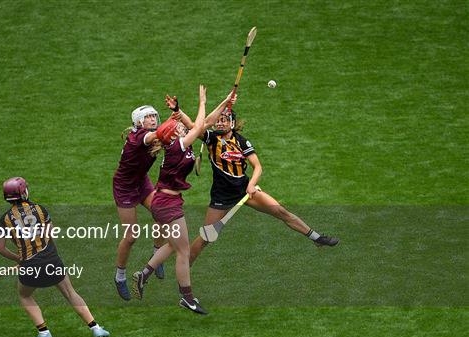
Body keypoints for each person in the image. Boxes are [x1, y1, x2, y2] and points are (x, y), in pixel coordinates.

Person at [188, 106, 340, 265]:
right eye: (217, 121)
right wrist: (178, 112)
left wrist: (251, 185)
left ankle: (317, 238)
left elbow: (258, 166)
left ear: (232, 123)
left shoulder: (241, 141)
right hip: (222, 196)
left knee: (281, 211)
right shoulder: (211, 138)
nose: (219, 124)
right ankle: (185, 267)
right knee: (206, 237)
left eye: (224, 120)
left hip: (245, 190)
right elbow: (194, 127)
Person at [131, 85, 231, 315]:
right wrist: (202, 100)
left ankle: (143, 275)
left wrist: (225, 101)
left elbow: (203, 125)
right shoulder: (178, 146)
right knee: (183, 251)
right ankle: (187, 297)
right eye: (177, 126)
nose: (180, 125)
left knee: (174, 245)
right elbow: (197, 125)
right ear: (174, 134)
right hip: (167, 205)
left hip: (167, 203)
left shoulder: (178, 143)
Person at [0, 177, 110, 337]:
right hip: (52, 260)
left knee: (24, 295)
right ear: (23, 192)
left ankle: (44, 333)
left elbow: (0, 248)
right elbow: (49, 236)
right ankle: (95, 328)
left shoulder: (4, 219)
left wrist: (19, 258)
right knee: (71, 293)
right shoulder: (41, 210)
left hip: (29, 266)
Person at [112, 105, 167, 301]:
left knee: (162, 214)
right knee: (131, 236)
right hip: (124, 187)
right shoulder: (139, 137)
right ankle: (119, 277)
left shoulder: (154, 135)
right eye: (148, 117)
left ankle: (157, 255)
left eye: (154, 116)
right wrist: (175, 120)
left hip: (141, 181)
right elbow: (157, 135)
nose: (153, 119)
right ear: (139, 122)